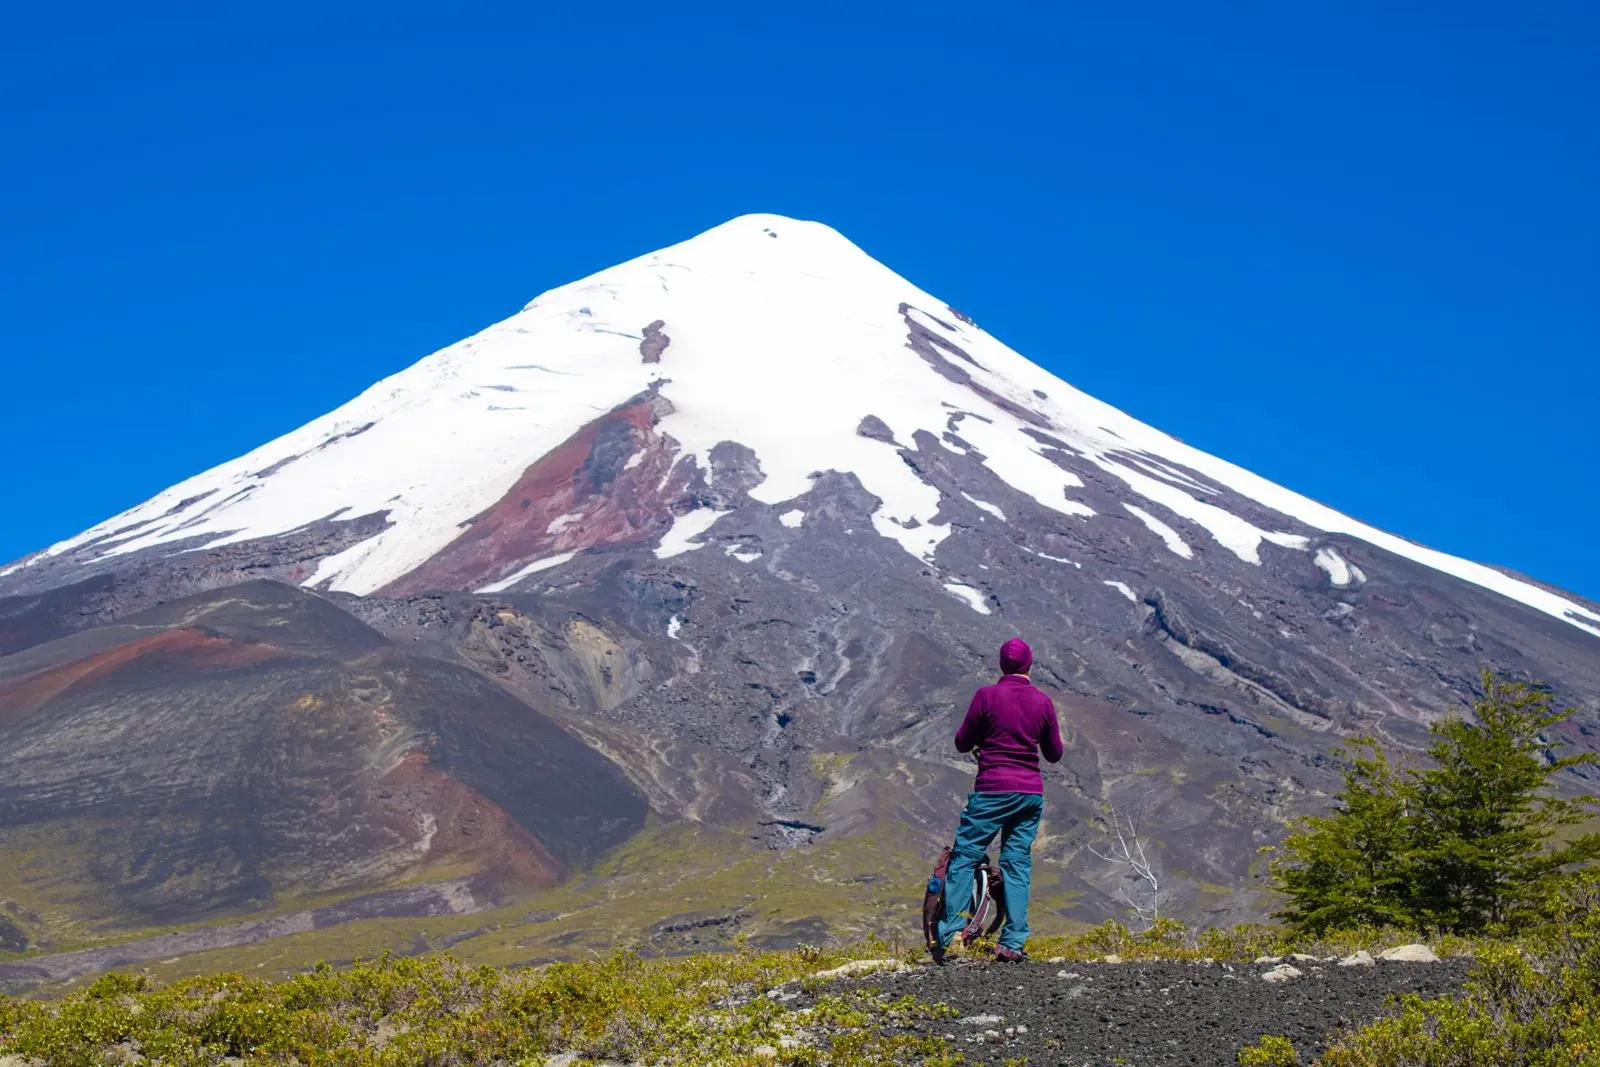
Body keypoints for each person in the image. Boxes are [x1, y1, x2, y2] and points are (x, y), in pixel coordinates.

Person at [932, 637, 1064, 963]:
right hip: (1030, 793)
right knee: (1016, 864)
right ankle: (1013, 943)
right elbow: (1054, 753)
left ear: (1002, 665)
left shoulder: (986, 697)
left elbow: (962, 742)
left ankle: (949, 939)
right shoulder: (1043, 702)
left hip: (992, 791)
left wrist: (986, 737)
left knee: (964, 857)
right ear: (1030, 666)